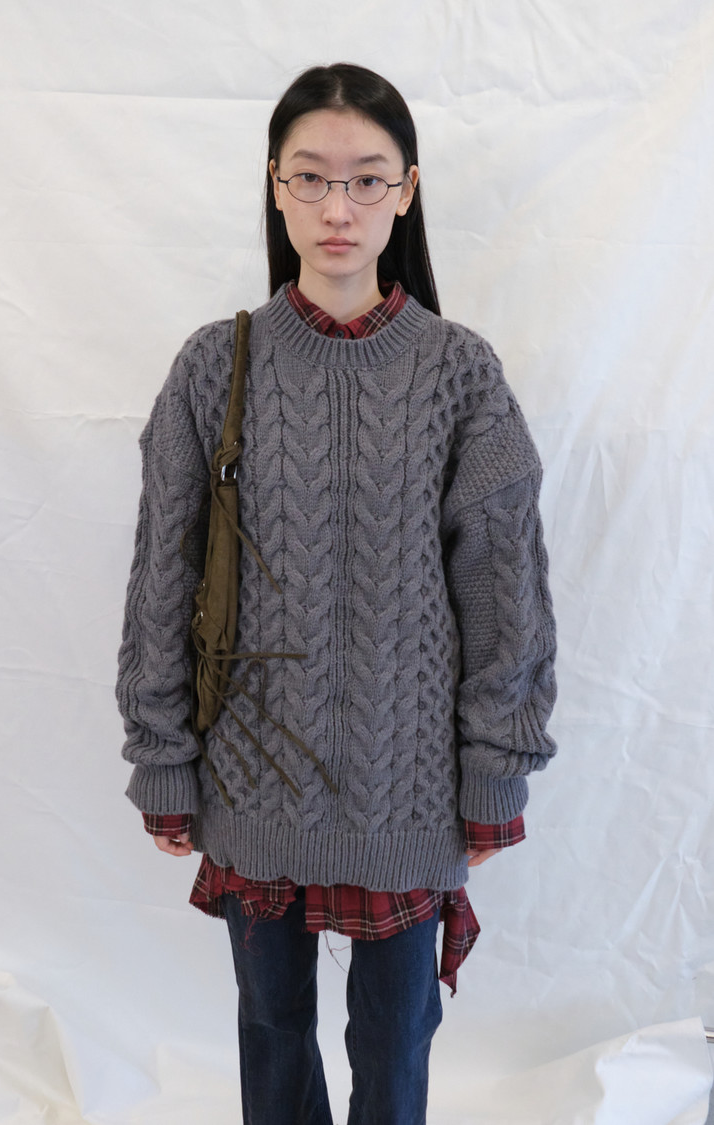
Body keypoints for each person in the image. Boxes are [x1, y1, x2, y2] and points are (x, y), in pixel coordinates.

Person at [116, 62, 558, 1125]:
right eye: (310, 177)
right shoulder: (212, 368)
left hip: (407, 792)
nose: (337, 207)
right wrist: (161, 754)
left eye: (367, 179)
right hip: (250, 779)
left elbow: (504, 595)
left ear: (408, 191)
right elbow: (163, 577)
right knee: (272, 1037)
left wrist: (494, 772)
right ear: (275, 186)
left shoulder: (459, 375)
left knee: (393, 1047)